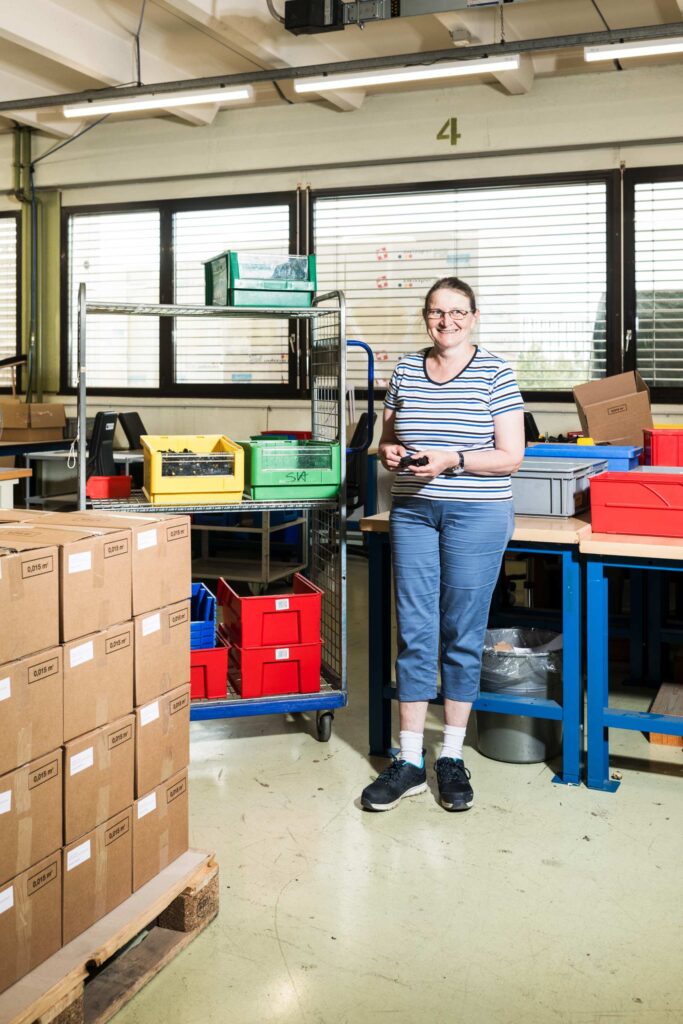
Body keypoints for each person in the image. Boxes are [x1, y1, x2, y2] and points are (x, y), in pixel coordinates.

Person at [360, 276, 525, 813]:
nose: (446, 321)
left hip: (477, 514)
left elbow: (511, 455)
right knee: (414, 630)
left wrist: (453, 458)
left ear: (474, 317)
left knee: (460, 629)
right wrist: (387, 452)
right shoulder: (407, 368)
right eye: (436, 312)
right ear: (425, 317)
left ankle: (450, 756)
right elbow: (388, 437)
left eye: (457, 312)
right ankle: (409, 760)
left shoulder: (495, 371)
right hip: (412, 511)